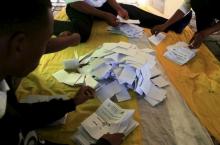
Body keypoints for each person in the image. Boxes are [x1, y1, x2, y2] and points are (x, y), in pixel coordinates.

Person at [0, 0, 123, 145]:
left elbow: (21, 116)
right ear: (19, 45)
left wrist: (71, 102)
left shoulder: (4, 82)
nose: (45, 49)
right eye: (46, 41)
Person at [54, 0, 192, 42]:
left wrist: (118, 8)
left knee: (131, 11)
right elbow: (75, 4)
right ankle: (52, 25)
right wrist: (104, 15)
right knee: (81, 33)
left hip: (98, 4)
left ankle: (174, 23)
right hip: (80, 8)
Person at [151, 0, 220, 49]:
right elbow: (186, 6)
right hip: (206, 10)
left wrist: (207, 32)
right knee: (201, 33)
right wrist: (165, 25)